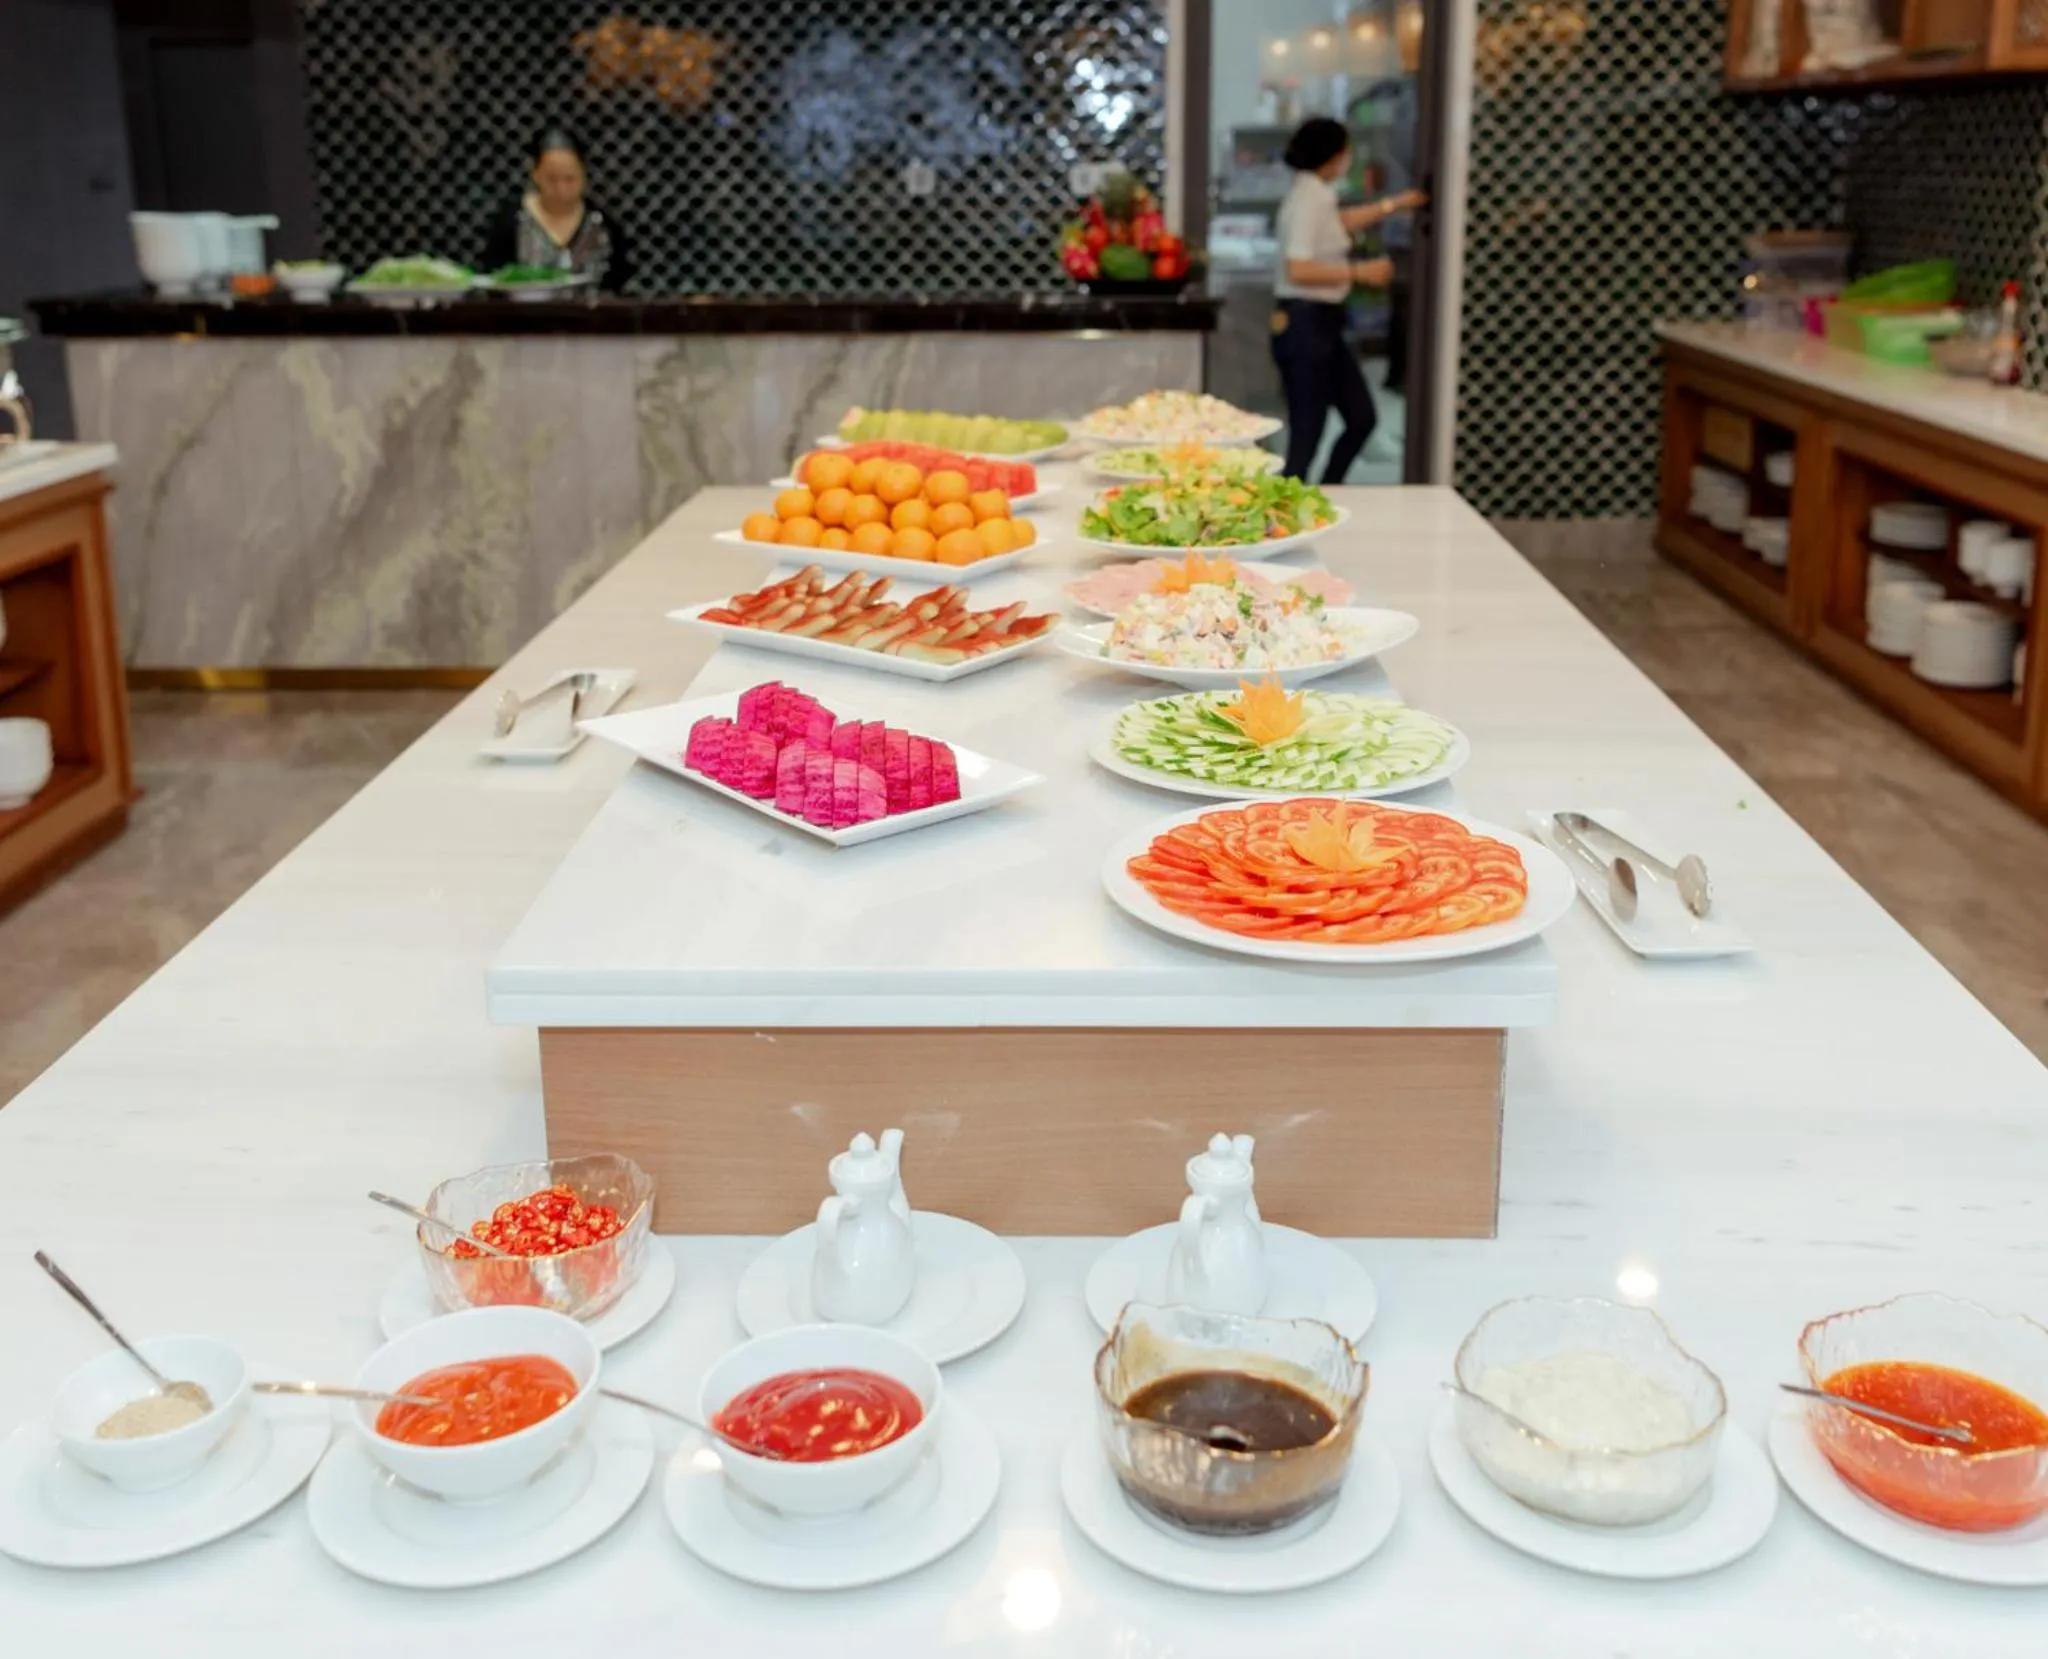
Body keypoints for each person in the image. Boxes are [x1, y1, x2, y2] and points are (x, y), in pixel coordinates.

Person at [1270, 116, 1425, 482]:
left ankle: (1326, 493)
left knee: (1360, 418)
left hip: (1319, 324)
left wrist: (1394, 205)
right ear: (1334, 156)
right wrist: (1359, 272)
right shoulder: (1312, 198)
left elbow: (1340, 222)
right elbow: (1299, 268)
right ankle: (1288, 517)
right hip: (1306, 323)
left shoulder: (1311, 193)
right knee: (1307, 433)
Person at [482, 129, 634, 293]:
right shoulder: (512, 222)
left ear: (584, 174)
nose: (561, 189)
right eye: (552, 179)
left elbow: (620, 287)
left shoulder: (603, 225)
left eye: (570, 179)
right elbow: (493, 282)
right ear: (535, 174)